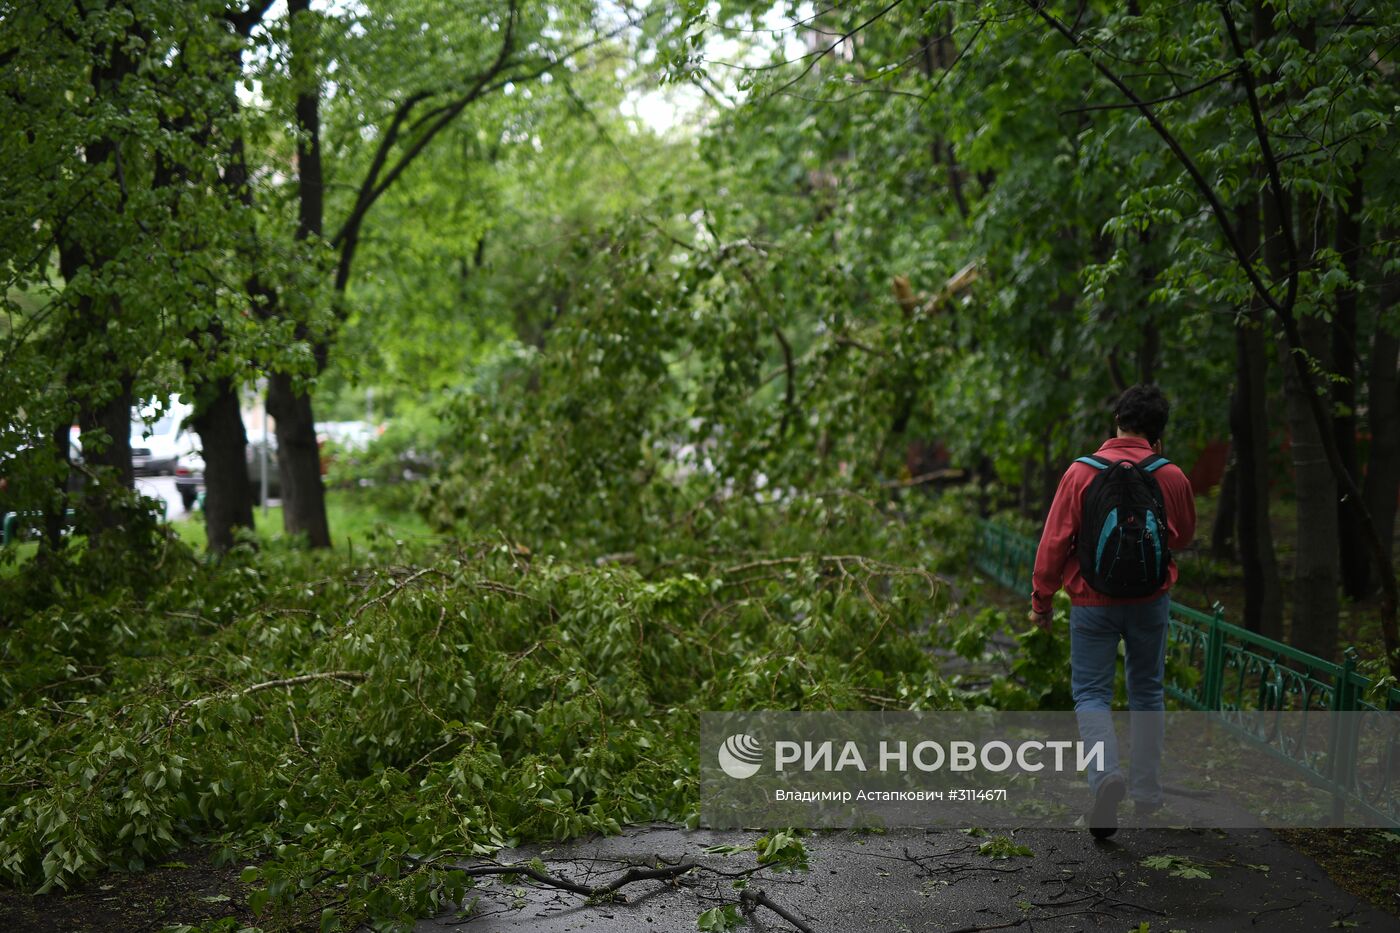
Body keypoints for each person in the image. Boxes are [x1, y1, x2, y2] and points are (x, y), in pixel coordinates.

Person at [1029, 385, 1196, 838]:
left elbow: (1053, 543)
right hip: (1150, 602)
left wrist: (1041, 602)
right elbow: (1180, 537)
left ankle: (1106, 778)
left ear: (1116, 423)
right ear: (1158, 437)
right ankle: (1146, 792)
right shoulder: (1171, 475)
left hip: (1090, 601)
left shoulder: (1081, 473)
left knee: (1091, 695)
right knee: (1147, 692)